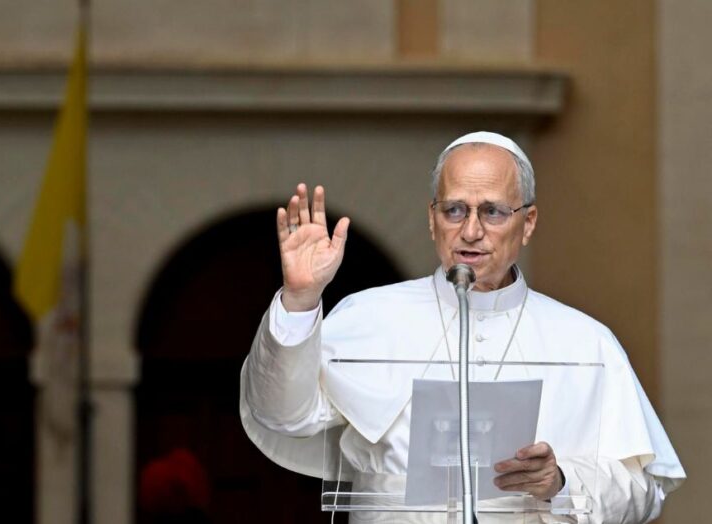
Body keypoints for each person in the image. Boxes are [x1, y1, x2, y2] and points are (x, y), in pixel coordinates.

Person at [239, 132, 685, 522]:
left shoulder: (586, 341)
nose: (471, 231)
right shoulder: (367, 316)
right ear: (432, 218)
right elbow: (282, 414)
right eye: (454, 210)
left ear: (527, 223)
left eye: (493, 212)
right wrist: (300, 300)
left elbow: (644, 488)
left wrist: (562, 481)